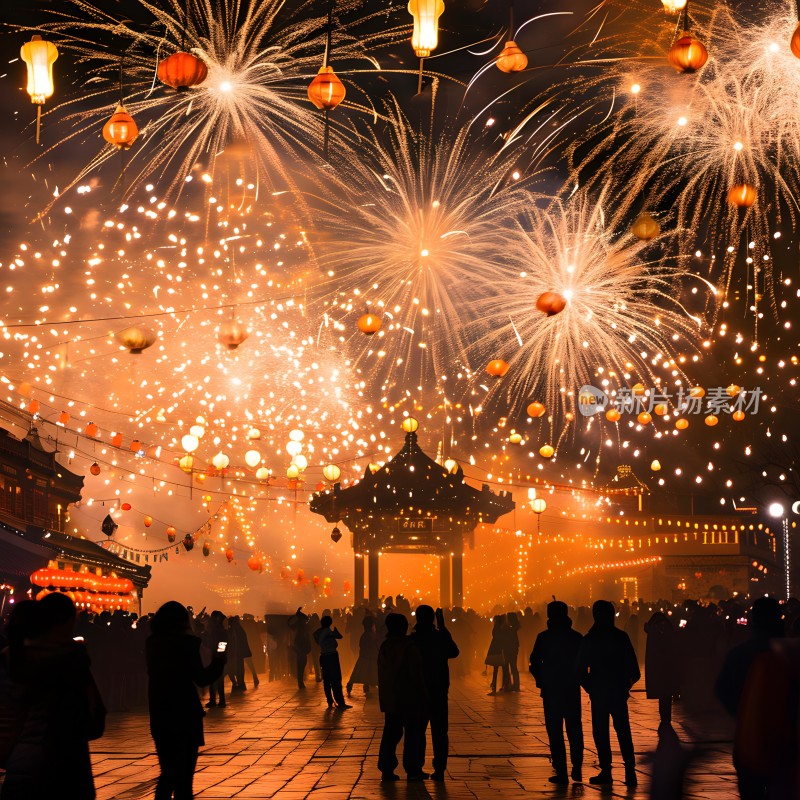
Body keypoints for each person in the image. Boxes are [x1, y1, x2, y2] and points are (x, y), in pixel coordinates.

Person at [1, 593, 105, 800]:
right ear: (69, 621)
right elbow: (94, 718)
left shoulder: (8, 657)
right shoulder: (73, 659)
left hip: (21, 764)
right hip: (66, 766)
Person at [147, 601, 226, 800]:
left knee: (167, 774)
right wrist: (219, 660)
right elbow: (201, 678)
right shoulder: (187, 644)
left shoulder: (152, 643)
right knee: (184, 781)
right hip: (185, 713)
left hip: (160, 712)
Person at [715, 596, 784, 800]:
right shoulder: (790, 652)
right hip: (784, 743)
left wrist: (743, 711)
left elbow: (722, 689)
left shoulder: (740, 654)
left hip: (749, 739)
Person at [576, 600, 640, 787]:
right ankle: (630, 770)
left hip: (599, 693)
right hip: (618, 692)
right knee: (623, 731)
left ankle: (606, 770)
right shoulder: (621, 637)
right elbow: (634, 670)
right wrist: (624, 686)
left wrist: (591, 687)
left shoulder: (590, 639)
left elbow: (579, 671)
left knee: (601, 731)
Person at [530, 600, 584, 785]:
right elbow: (583, 663)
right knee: (574, 729)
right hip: (571, 689)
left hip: (552, 690)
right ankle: (577, 766)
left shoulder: (544, 637)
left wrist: (542, 679)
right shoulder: (576, 637)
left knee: (555, 731)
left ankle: (561, 771)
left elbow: (534, 663)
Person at [409, 605, 459, 782]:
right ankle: (439, 769)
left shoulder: (412, 640)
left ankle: (415, 767)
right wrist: (443, 627)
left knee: (416, 732)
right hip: (438, 690)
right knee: (439, 733)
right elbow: (454, 652)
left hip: (417, 692)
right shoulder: (439, 637)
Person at [377, 613, 427, 782]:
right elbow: (416, 674)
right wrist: (423, 694)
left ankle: (386, 768)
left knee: (390, 734)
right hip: (409, 697)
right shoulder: (409, 647)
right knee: (413, 734)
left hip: (391, 697)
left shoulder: (385, 646)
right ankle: (413, 769)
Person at [644, 611, 679, 727]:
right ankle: (666, 718)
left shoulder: (653, 629)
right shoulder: (667, 627)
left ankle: (664, 718)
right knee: (666, 695)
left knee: (662, 694)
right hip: (668, 664)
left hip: (657, 665)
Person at [312, 615, 351, 710]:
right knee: (336, 680)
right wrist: (333, 633)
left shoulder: (320, 631)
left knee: (327, 680)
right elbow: (340, 636)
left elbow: (317, 638)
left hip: (324, 656)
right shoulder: (327, 631)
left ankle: (330, 700)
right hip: (331, 656)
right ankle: (340, 702)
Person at [347, 616, 379, 697]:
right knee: (368, 671)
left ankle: (353, 685)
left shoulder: (365, 635)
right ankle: (364, 686)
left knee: (360, 672)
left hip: (364, 657)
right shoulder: (370, 635)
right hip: (369, 656)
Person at [202, 611, 227, 707]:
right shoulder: (217, 629)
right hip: (215, 656)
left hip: (217, 657)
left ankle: (220, 700)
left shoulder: (219, 631)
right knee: (214, 679)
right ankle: (215, 700)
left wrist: (218, 654)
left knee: (217, 680)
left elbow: (222, 643)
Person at [485, 615, 510, 694]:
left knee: (495, 670)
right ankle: (505, 686)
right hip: (502, 650)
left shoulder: (496, 628)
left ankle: (494, 687)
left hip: (496, 650)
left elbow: (495, 637)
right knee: (504, 668)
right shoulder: (504, 629)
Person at [288, 607, 312, 690]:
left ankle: (300, 682)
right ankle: (300, 682)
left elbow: (290, 626)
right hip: (302, 646)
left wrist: (290, 619)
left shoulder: (299, 623)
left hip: (299, 646)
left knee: (300, 665)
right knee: (302, 664)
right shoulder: (303, 623)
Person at [504, 612, 521, 692]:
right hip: (513, 649)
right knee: (513, 666)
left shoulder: (509, 628)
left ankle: (509, 685)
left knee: (508, 666)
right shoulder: (515, 627)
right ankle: (515, 685)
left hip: (509, 649)